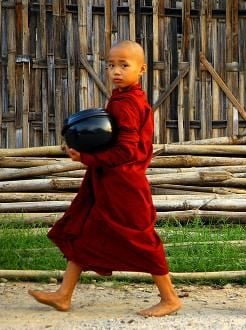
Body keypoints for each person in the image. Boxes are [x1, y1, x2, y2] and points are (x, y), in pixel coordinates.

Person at [28, 40, 182, 317]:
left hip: (124, 184)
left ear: (142, 69)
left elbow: (125, 151)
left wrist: (85, 158)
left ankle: (170, 297)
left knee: (141, 237)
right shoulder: (124, 98)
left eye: (125, 65)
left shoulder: (127, 105)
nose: (116, 71)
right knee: (86, 229)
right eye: (111, 65)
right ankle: (63, 295)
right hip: (109, 181)